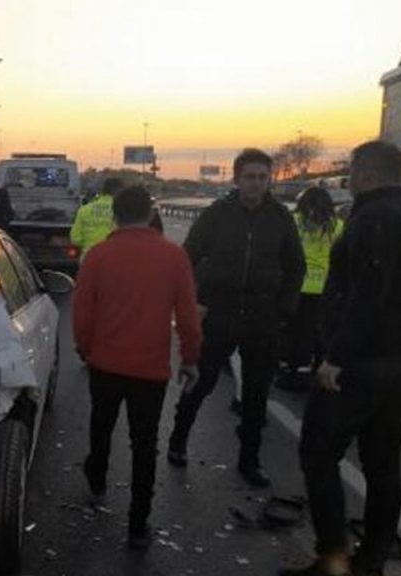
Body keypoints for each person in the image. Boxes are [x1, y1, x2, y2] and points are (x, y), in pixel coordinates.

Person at [283, 141, 401, 576]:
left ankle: (333, 559)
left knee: (318, 453)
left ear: (365, 173)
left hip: (361, 365)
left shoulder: (373, 218)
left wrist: (335, 358)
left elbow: (367, 295)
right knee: (383, 463)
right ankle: (372, 560)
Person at [166, 148, 306, 488]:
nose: (256, 184)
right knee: (201, 381)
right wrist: (197, 301)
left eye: (262, 177)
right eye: (250, 177)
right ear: (236, 178)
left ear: (269, 179)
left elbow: (296, 266)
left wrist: (283, 308)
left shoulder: (280, 217)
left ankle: (250, 460)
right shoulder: (218, 214)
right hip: (220, 313)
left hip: (262, 316)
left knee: (257, 393)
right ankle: (178, 440)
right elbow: (188, 256)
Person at [73, 186, 202, 550]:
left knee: (102, 425)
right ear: (150, 214)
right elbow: (189, 319)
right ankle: (138, 524)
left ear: (114, 215)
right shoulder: (174, 258)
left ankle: (97, 475)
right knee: (144, 445)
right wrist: (190, 359)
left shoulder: (98, 256)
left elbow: (82, 314)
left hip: (105, 364)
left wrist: (85, 348)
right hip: (150, 370)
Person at [276, 186, 343, 392]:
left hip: (298, 286)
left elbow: (282, 252)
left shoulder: (294, 222)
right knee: (320, 331)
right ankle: (319, 367)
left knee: (297, 331)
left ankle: (295, 370)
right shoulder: (338, 225)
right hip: (325, 288)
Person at [70, 177, 123, 255]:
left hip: (89, 258)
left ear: (103, 191)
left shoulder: (84, 210)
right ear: (119, 192)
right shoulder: (121, 211)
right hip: (113, 257)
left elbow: (75, 238)